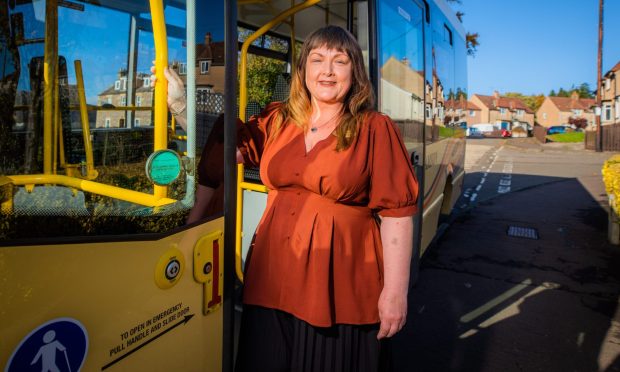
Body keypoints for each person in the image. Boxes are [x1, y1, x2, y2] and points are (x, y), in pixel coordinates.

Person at [157, 25, 419, 371]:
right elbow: (223, 144)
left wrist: (395, 292)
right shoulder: (278, 120)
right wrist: (179, 104)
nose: (327, 71)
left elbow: (397, 214)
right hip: (270, 276)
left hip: (339, 286)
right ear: (303, 70)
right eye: (317, 59)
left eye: (339, 62)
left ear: (354, 73)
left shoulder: (374, 128)